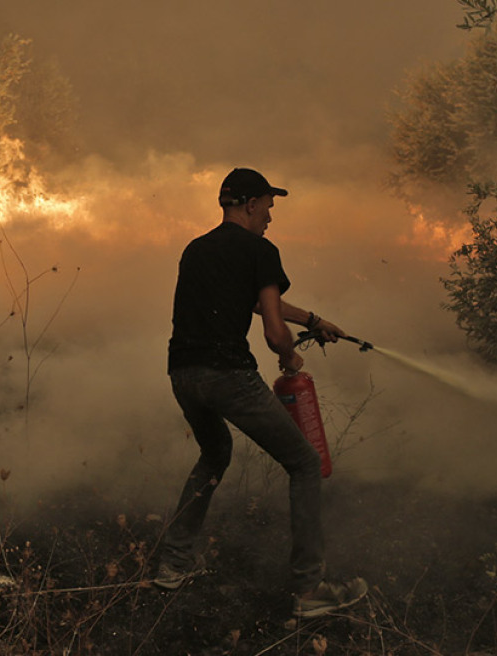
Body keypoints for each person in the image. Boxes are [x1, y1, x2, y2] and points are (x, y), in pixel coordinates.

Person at [158, 167, 368, 618]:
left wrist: (313, 321)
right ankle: (310, 591)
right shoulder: (260, 250)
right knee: (305, 464)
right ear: (250, 204)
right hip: (229, 376)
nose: (270, 216)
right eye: (269, 206)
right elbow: (273, 331)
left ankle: (173, 565)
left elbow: (255, 301)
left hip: (183, 374)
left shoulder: (196, 249)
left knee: (214, 455)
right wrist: (290, 357)